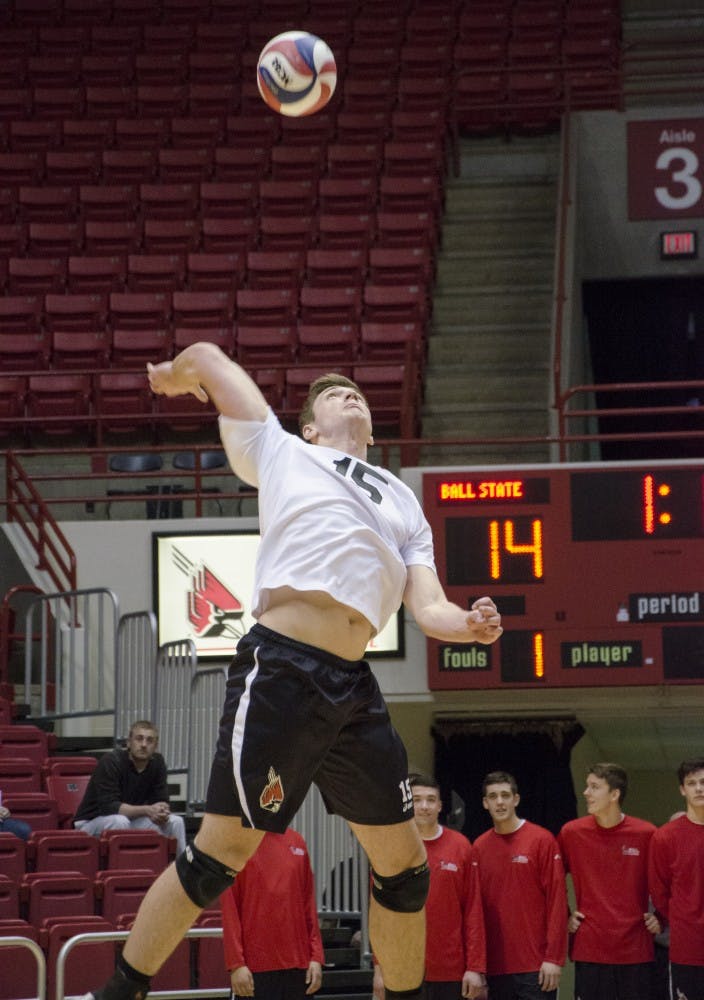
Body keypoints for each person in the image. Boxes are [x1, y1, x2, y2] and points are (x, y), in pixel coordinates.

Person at [83, 342, 502, 1000]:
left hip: (353, 687)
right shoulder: (282, 451)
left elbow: (429, 607)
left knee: (406, 872)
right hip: (282, 667)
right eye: (334, 394)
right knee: (218, 857)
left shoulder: (402, 502)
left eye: (357, 393)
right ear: (310, 427)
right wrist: (174, 375)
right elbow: (212, 359)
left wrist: (469, 625)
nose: (351, 395)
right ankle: (119, 991)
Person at [373, 773, 486, 1000]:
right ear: (408, 804)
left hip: (449, 971)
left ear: (440, 806)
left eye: (431, 800)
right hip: (402, 971)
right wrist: (379, 968)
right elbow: (380, 915)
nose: (424, 806)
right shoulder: (391, 848)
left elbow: (473, 910)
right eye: (417, 800)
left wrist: (475, 968)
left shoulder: (461, 846)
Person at [557, 762, 659, 1000]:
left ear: (614, 794)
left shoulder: (646, 833)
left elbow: (670, 879)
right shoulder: (572, 833)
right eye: (587, 786)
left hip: (635, 948)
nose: (586, 792)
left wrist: (661, 917)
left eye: (594, 787)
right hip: (590, 948)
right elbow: (550, 879)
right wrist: (565, 915)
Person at [472, 771, 566, 1000]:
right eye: (493, 796)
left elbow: (557, 901)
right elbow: (474, 911)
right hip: (494, 968)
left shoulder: (542, 840)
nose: (500, 802)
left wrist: (554, 958)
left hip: (536, 966)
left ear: (516, 799)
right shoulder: (479, 847)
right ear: (485, 803)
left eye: (505, 795)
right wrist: (476, 966)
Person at [220, 828, 324, 999]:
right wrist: (236, 964)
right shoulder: (236, 843)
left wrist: (316, 956)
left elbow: (308, 904)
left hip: (299, 966)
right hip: (254, 967)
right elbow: (230, 910)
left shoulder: (297, 840)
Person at [74, 720, 186, 854]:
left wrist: (162, 810)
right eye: (139, 739)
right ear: (129, 743)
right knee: (119, 821)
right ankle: (122, 866)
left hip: (131, 819)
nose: (144, 744)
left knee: (176, 821)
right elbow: (110, 807)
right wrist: (147, 810)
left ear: (155, 746)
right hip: (91, 823)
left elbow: (161, 799)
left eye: (149, 740)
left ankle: (183, 867)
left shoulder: (158, 762)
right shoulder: (111, 761)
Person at [649, 758, 704, 1000]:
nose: (699, 788)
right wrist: (683, 919)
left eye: (703, 782)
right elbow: (659, 892)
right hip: (686, 949)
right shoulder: (665, 837)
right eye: (691, 783)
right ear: (682, 789)